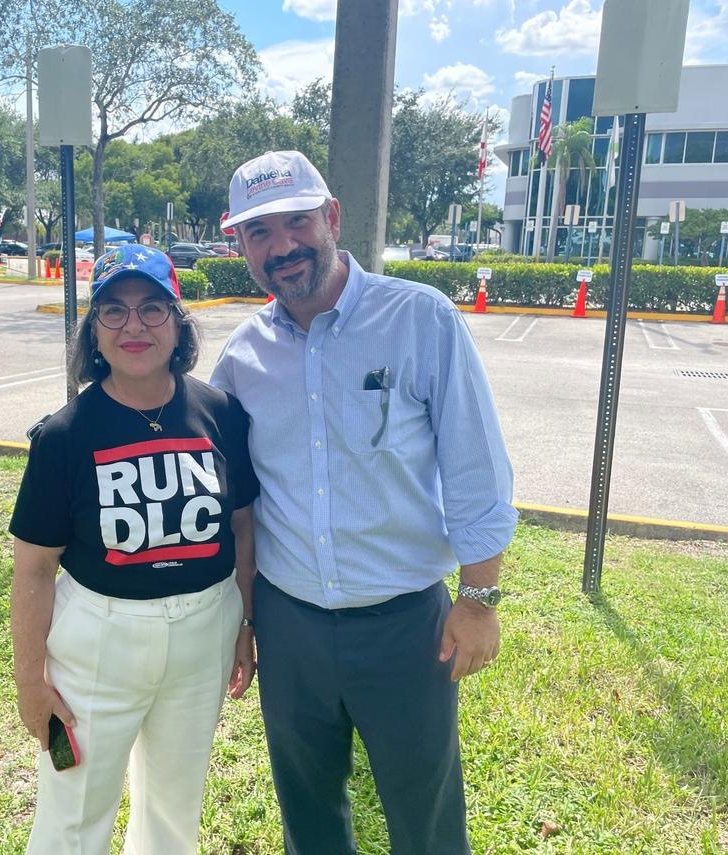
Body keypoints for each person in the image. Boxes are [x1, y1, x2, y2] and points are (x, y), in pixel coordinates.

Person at [210, 150, 517, 854]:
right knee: (308, 811)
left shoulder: (419, 320)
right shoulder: (240, 359)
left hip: (406, 624)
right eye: (260, 232)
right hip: (290, 628)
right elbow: (241, 508)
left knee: (425, 814)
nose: (282, 246)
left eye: (297, 222)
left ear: (332, 218)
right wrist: (246, 617)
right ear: (242, 246)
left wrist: (480, 597)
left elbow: (476, 465)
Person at [8, 243, 260, 854]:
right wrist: (30, 679)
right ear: (93, 331)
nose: (134, 326)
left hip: (204, 632)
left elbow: (244, 527)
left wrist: (245, 625)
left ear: (179, 323)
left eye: (152, 308)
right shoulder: (63, 436)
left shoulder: (222, 413)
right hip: (99, 641)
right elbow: (35, 569)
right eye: (113, 312)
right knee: (74, 811)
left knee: (176, 806)